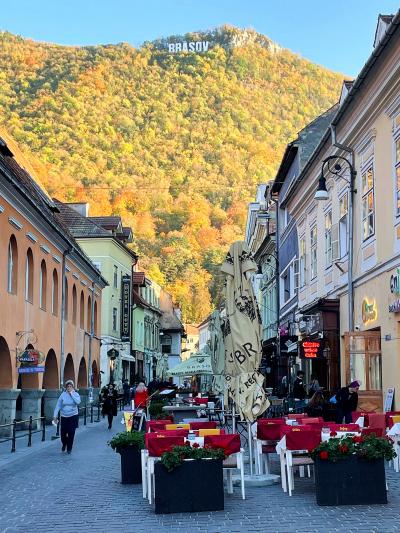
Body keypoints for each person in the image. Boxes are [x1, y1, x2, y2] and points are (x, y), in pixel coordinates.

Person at [53, 380, 81, 454]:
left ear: (73, 387)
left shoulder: (76, 394)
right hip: (64, 416)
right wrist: (54, 416)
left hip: (73, 416)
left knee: (71, 433)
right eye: (67, 386)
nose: (69, 388)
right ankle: (64, 444)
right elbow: (58, 405)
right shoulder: (63, 395)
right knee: (63, 434)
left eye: (70, 386)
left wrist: (72, 394)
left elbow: (78, 402)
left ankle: (69, 448)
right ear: (66, 387)